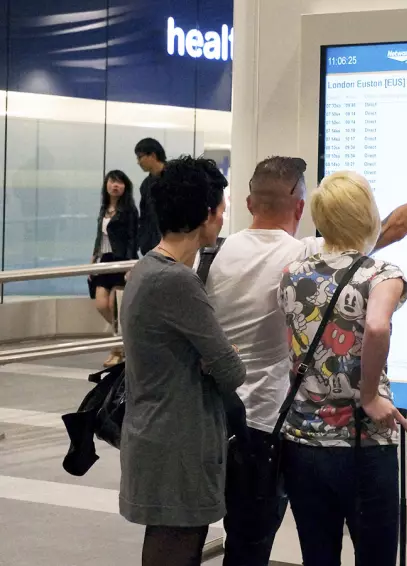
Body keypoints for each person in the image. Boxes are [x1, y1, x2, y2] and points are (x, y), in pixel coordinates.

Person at [205, 156, 407, 566]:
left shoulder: (238, 259)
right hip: (339, 438)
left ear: (249, 204)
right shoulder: (316, 259)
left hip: (261, 427)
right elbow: (379, 306)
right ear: (301, 209)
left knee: (257, 545)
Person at [278, 171, 407, 566]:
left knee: (318, 557)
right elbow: (376, 324)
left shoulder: (291, 274)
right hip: (362, 444)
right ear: (367, 215)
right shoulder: (382, 274)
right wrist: (368, 395)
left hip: (302, 444)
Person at [119, 156, 246, 566]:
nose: (223, 218)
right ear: (206, 214)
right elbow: (231, 370)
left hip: (155, 433)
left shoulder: (146, 269)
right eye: (222, 209)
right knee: (175, 550)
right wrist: (222, 356)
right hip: (178, 444)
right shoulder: (177, 280)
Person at [88, 170, 138, 368]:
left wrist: (130, 264)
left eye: (119, 182)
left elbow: (133, 239)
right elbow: (100, 237)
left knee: (113, 306)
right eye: (112, 181)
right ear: (106, 185)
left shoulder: (130, 211)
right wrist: (93, 259)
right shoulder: (104, 209)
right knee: (101, 304)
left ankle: (116, 350)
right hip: (104, 261)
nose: (115, 185)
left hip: (121, 261)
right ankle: (126, 337)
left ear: (125, 187)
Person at [134, 137, 167, 256]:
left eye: (140, 157)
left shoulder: (175, 178)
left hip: (174, 244)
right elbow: (144, 217)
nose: (138, 162)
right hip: (152, 246)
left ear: (152, 155)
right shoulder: (145, 185)